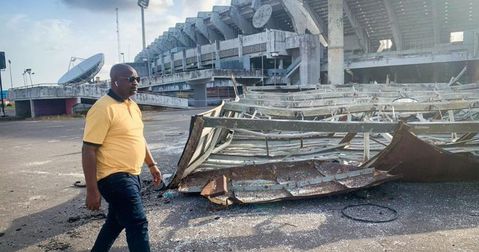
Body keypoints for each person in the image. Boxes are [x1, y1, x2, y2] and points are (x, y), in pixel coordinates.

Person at [82, 64, 162, 251]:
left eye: (137, 79)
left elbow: (138, 137)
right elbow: (88, 150)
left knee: (115, 222)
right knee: (137, 222)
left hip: (132, 175)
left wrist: (151, 164)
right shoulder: (102, 108)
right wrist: (92, 190)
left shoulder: (133, 106)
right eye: (130, 79)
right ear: (115, 81)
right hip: (113, 177)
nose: (135, 83)